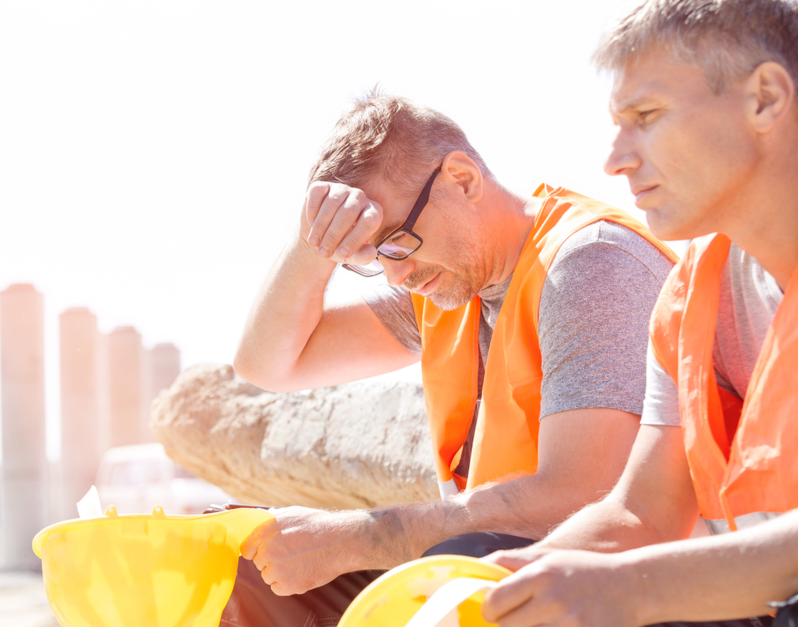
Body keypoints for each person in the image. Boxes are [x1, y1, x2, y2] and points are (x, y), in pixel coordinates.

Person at [221, 91, 678, 626]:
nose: (395, 274)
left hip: (635, 590)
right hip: (500, 566)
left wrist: (357, 538)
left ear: (462, 180)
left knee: (460, 561)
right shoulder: (444, 289)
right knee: (247, 566)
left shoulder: (592, 264)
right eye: (369, 257)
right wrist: (311, 246)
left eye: (395, 242)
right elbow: (267, 365)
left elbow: (586, 498)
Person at [479, 1, 798, 626]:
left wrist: (631, 590)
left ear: (764, 99)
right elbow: (642, 516)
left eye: (645, 117)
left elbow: (636, 577)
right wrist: (482, 591)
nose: (615, 159)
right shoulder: (687, 302)